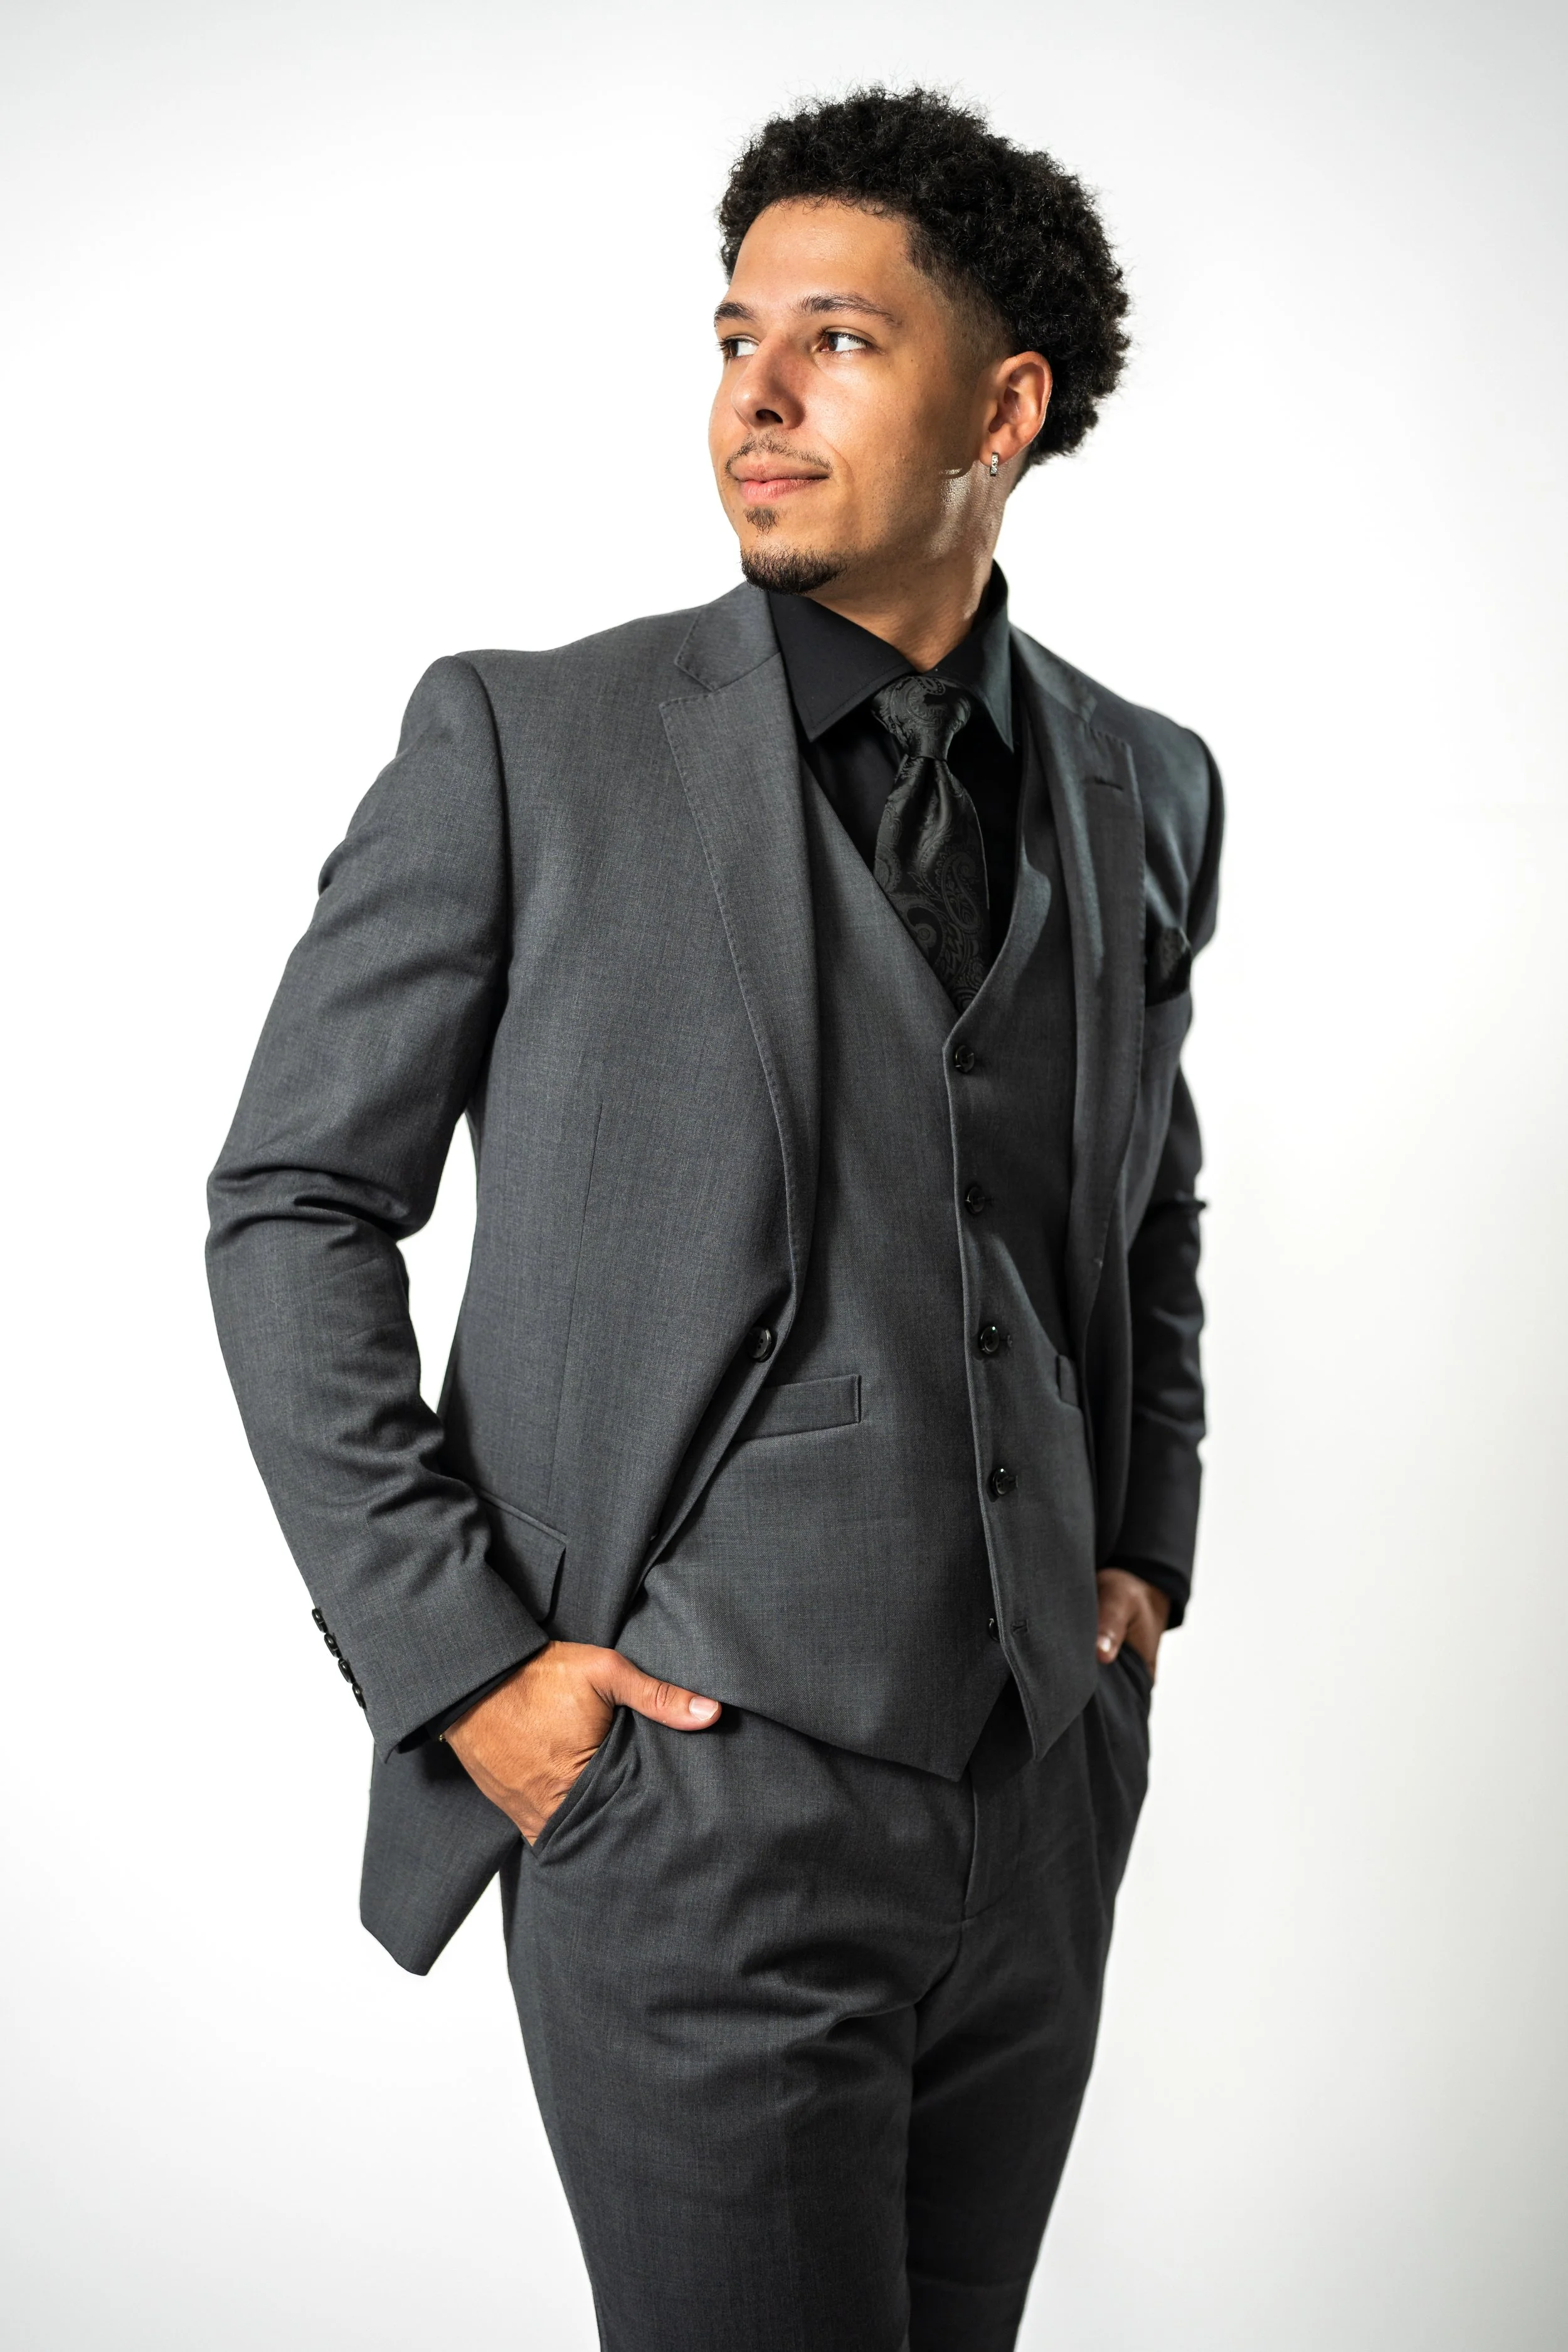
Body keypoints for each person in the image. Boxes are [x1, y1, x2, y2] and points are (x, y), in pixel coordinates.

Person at [207, 83, 1222, 2352]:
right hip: (683, 1799)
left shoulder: (1145, 778)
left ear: (1005, 404)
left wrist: (1139, 1547)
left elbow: (1145, 1184)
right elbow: (291, 1201)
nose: (751, 398)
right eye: (733, 334)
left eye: (836, 341)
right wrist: (470, 1672)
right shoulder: (523, 744)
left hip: (1033, 1802)